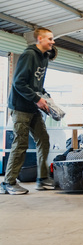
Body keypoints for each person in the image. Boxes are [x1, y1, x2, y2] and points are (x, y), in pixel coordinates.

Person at [1, 28, 55, 195]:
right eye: (50, 39)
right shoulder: (29, 55)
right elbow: (19, 83)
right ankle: (8, 182)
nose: (53, 42)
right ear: (40, 39)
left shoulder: (44, 58)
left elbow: (36, 83)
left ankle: (42, 179)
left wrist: (46, 98)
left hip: (33, 107)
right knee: (20, 144)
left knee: (43, 139)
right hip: (20, 107)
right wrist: (37, 99)